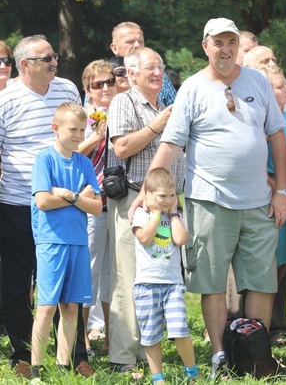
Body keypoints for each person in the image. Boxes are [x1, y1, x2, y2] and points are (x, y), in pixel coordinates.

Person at [141, 18, 286, 379]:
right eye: (218, 42)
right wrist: (149, 189)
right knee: (211, 283)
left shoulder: (256, 81)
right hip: (209, 200)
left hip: (258, 201)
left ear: (238, 45)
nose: (225, 49)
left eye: (231, 42)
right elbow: (172, 143)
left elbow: (277, 138)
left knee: (261, 283)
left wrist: (282, 191)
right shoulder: (192, 88)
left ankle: (254, 356)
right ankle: (221, 356)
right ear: (205, 45)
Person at [0, 35, 81, 371]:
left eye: (54, 56)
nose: (54, 62)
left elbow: (76, 137)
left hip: (64, 204)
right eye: (46, 59)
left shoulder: (68, 90)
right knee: (18, 283)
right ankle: (24, 354)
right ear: (25, 65)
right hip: (18, 204)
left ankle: (72, 355)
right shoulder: (3, 101)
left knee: (66, 282)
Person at [107, 47, 183, 375]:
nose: (157, 73)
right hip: (134, 200)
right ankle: (123, 357)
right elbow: (121, 147)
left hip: (166, 207)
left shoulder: (165, 105)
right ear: (133, 74)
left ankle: (146, 352)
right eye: (149, 68)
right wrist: (158, 124)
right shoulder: (124, 101)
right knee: (128, 278)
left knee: (152, 280)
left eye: (160, 67)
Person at [30, 103, 102, 378]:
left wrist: (70, 195)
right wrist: (79, 197)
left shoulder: (84, 162)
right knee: (47, 306)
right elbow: (43, 200)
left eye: (83, 130)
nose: (79, 135)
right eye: (73, 129)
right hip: (51, 241)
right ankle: (36, 368)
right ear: (56, 128)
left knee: (72, 306)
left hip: (78, 242)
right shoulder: (45, 159)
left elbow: (96, 207)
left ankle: (63, 366)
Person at [132, 168, 198, 384]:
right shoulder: (142, 215)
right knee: (151, 334)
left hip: (172, 285)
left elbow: (180, 239)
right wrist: (156, 214)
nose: (168, 200)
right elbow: (145, 238)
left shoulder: (175, 216)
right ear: (148, 195)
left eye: (172, 196)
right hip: (146, 285)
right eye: (162, 196)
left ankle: (192, 373)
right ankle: (157, 377)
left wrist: (174, 214)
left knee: (179, 328)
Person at [258, 65, 286, 346]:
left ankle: (270, 329)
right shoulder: (260, 122)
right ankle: (256, 330)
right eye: (281, 86)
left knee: (282, 265)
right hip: (271, 198)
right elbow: (262, 173)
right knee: (266, 268)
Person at [77, 60, 116, 355]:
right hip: (90, 202)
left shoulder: (124, 111)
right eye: (97, 84)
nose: (105, 88)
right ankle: (83, 337)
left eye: (110, 82)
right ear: (87, 89)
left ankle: (113, 337)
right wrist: (95, 136)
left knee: (114, 272)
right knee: (89, 269)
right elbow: (71, 152)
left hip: (119, 202)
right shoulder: (81, 116)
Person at [109, 22, 176, 106]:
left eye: (140, 41)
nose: (137, 45)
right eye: (130, 42)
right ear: (114, 48)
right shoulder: (104, 78)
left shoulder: (159, 76)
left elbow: (176, 109)